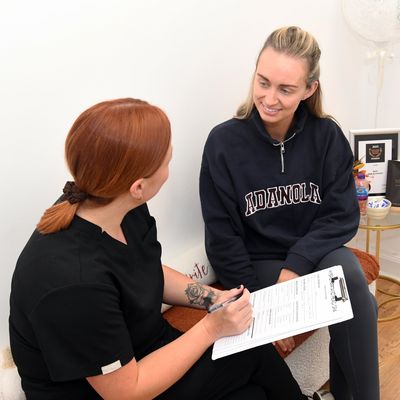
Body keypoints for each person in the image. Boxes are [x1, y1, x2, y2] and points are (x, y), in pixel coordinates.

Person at [9, 98, 307, 400]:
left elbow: (144, 271)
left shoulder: (119, 205)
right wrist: (210, 329)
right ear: (138, 186)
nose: (169, 166)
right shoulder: (73, 282)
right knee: (253, 369)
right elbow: (126, 392)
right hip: (107, 390)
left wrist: (213, 297)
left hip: (145, 348)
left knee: (252, 386)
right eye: (167, 160)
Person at [199, 26, 379, 400]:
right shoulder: (223, 143)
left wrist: (295, 266)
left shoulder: (326, 135)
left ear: (309, 89)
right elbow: (222, 235)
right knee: (351, 283)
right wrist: (258, 306)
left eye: (286, 89)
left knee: (351, 279)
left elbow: (341, 214)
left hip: (314, 252)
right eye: (263, 82)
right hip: (259, 262)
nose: (269, 98)